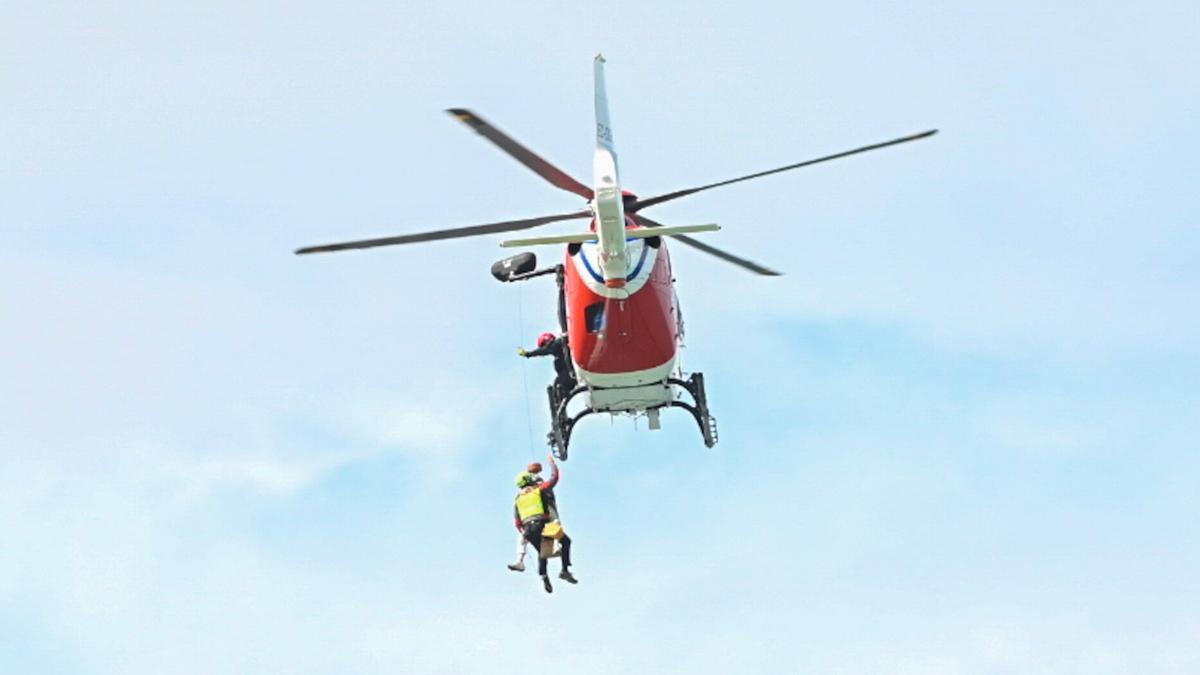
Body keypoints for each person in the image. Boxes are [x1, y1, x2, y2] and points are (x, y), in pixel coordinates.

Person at [512, 454, 576, 593]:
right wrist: (552, 463)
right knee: (566, 542)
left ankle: (543, 576)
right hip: (543, 524)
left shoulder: (518, 499)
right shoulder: (538, 491)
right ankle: (564, 570)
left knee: (542, 553)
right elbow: (554, 478)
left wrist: (525, 534)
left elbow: (517, 522)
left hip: (528, 530)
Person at [507, 461, 558, 572]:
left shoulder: (539, 487)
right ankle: (520, 561)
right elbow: (517, 513)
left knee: (554, 524)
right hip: (534, 516)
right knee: (523, 538)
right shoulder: (522, 496)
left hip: (546, 510)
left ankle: (557, 546)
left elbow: (551, 480)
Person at [519, 332, 576, 403]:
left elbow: (544, 350)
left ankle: (558, 403)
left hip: (571, 372)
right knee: (557, 384)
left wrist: (528, 354)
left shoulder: (557, 344)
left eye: (544, 345)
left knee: (558, 384)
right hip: (571, 374)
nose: (544, 348)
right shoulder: (558, 353)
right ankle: (559, 401)